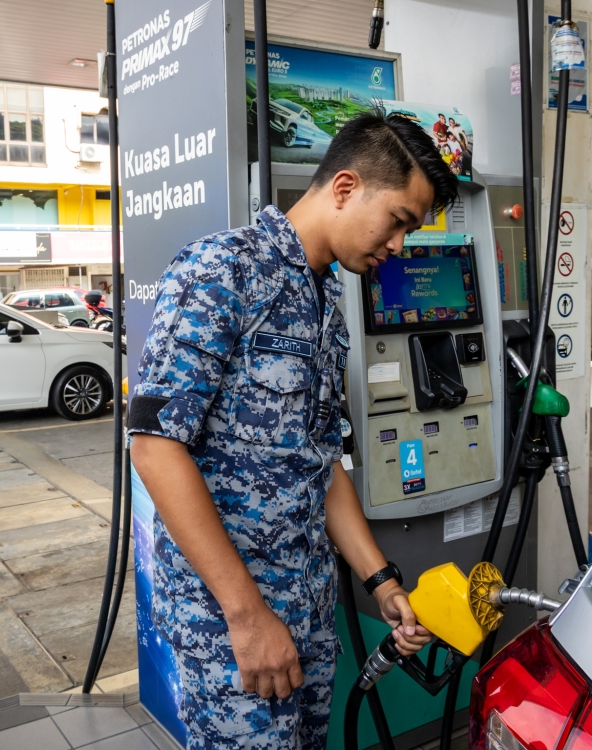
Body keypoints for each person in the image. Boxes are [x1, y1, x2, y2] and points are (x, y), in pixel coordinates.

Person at [129, 111, 459, 749]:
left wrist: (381, 581)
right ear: (344, 187)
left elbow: (319, 459)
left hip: (307, 608)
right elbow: (154, 447)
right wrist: (248, 617)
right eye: (398, 221)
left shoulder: (326, 297)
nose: (398, 247)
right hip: (228, 621)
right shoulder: (221, 271)